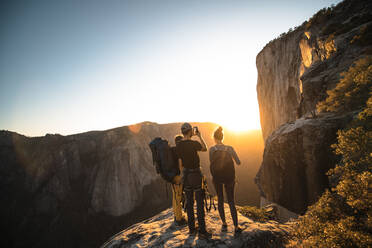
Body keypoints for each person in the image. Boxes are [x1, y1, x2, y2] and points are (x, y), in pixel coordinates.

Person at [176, 123, 212, 239]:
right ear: (191, 131)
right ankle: (202, 231)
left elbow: (180, 163)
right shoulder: (194, 143)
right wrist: (200, 136)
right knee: (199, 203)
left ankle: (191, 229)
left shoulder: (179, 145)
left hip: (186, 176)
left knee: (190, 203)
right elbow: (205, 148)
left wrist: (183, 174)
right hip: (196, 175)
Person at [209, 126, 242, 234]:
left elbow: (211, 162)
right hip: (229, 178)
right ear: (222, 137)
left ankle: (224, 224)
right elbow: (238, 162)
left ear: (214, 138)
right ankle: (236, 227)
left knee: (220, 200)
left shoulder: (212, 149)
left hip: (217, 178)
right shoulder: (230, 148)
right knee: (231, 201)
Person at [170, 135, 187, 226]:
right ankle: (179, 219)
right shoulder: (180, 151)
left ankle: (177, 215)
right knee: (178, 197)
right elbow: (181, 166)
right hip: (178, 177)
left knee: (175, 197)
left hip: (171, 176)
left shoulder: (172, 150)